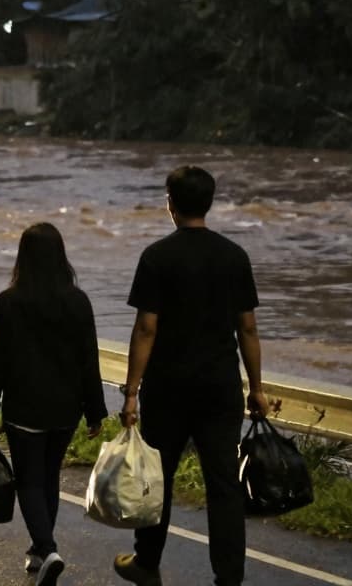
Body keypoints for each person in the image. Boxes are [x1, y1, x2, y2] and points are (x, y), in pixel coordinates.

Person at [114, 166, 269, 586]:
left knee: (157, 477)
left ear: (171, 203)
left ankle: (147, 563)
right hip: (220, 386)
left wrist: (131, 394)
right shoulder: (234, 256)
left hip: (168, 387)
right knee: (224, 485)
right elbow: (248, 329)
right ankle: (229, 578)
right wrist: (256, 388)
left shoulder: (157, 257)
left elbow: (146, 329)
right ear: (209, 203)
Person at [0, 222, 106, 586]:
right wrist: (95, 410)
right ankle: (39, 550)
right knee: (48, 477)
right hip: (66, 408)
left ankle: (47, 549)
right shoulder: (78, 301)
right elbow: (89, 360)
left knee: (29, 481)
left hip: (24, 406)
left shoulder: (9, 302)